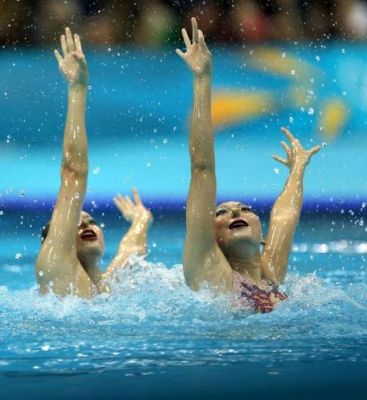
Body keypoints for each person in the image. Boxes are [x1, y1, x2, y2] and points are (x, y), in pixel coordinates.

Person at [176, 18, 320, 313]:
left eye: (244, 210)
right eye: (222, 212)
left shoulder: (270, 274)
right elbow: (202, 168)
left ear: (262, 237)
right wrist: (202, 80)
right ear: (208, 233)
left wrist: (296, 171)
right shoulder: (209, 269)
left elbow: (283, 217)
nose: (235, 213)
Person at [36, 28, 152, 298]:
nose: (85, 225)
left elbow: (131, 251)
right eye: (74, 223)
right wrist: (77, 89)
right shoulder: (54, 266)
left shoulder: (107, 288)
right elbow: (73, 172)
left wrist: (140, 220)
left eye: (90, 221)